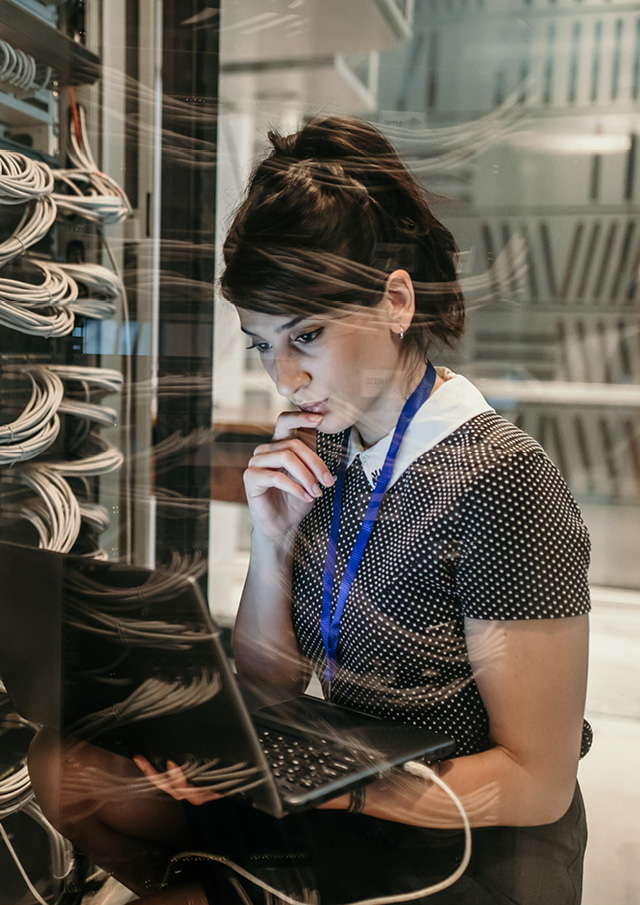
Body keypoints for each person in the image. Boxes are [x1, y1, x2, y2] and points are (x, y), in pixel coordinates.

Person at [28, 115, 591, 905]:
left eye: (308, 334)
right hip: (344, 780)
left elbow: (538, 782)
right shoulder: (325, 443)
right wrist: (274, 533)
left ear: (397, 300)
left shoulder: (501, 481)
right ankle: (222, 884)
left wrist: (331, 788)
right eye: (263, 345)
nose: (285, 376)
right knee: (65, 766)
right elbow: (269, 680)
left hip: (463, 831)